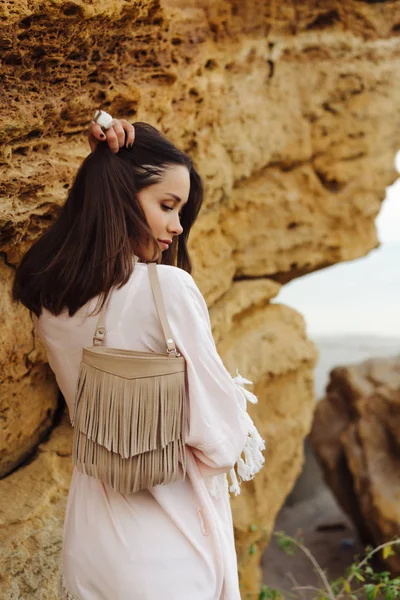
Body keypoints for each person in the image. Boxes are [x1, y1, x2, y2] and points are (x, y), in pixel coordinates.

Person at [12, 113, 265, 600]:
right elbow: (220, 441)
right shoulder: (166, 289)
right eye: (167, 206)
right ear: (121, 198)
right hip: (166, 545)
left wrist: (103, 165)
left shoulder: (51, 298)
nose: (175, 226)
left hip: (92, 540)